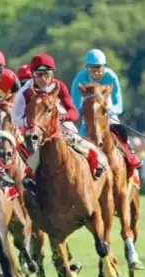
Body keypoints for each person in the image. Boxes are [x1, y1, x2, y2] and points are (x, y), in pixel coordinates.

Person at [11, 53, 108, 191]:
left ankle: (96, 166)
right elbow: (14, 117)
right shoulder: (25, 92)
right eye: (39, 75)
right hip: (37, 131)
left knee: (86, 146)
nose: (44, 79)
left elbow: (74, 113)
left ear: (53, 74)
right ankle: (31, 180)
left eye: (47, 74)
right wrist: (32, 123)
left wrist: (60, 118)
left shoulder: (59, 86)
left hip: (61, 127)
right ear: (32, 75)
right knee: (33, 158)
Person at [71, 48, 142, 169]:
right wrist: (80, 110)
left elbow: (118, 102)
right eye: (92, 69)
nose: (96, 73)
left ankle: (130, 154)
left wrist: (112, 110)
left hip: (107, 107)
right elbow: (75, 97)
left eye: (99, 68)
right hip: (89, 108)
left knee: (118, 127)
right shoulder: (80, 77)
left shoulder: (111, 76)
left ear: (104, 67)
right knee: (82, 131)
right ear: (86, 68)